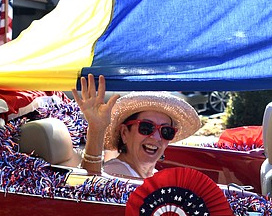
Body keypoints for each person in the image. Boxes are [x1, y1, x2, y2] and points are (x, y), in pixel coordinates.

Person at [71, 74, 201, 179]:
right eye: (146, 127)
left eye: (166, 131)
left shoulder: (156, 176)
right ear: (124, 133)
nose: (156, 137)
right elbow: (89, 187)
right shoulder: (114, 173)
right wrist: (96, 129)